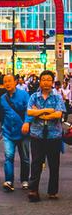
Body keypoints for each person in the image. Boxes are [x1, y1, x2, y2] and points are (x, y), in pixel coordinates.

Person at [25, 70, 66, 202]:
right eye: (44, 79)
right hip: (37, 134)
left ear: (52, 82)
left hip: (54, 135)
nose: (46, 82)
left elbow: (58, 114)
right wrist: (47, 111)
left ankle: (52, 191)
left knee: (54, 164)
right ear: (40, 81)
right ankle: (33, 190)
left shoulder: (57, 97)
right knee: (36, 163)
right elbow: (30, 112)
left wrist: (39, 113)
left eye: (49, 79)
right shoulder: (34, 96)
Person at [0, 74, 30, 192]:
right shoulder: (3, 98)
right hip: (8, 132)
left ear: (15, 82)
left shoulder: (24, 95)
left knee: (25, 158)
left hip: (23, 132)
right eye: (5, 81)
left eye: (9, 81)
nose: (7, 83)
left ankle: (25, 180)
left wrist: (27, 123)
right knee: (8, 157)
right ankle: (9, 181)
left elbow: (28, 110)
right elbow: (3, 114)